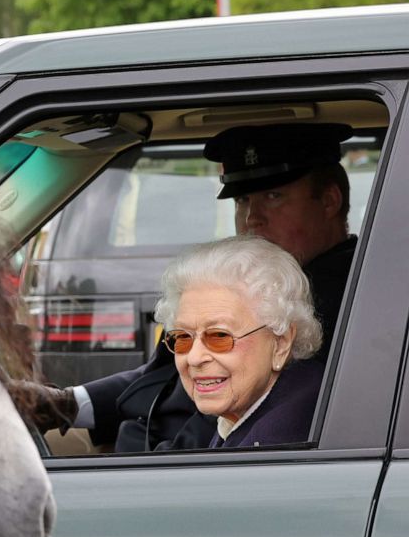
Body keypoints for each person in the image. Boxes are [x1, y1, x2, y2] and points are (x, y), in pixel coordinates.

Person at [20, 122, 359, 449]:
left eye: (273, 196)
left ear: (329, 201)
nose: (252, 217)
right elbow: (161, 376)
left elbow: (230, 426)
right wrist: (67, 403)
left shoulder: (345, 300)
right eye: (242, 201)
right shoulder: (232, 287)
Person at [154, 235, 323, 449]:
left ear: (280, 344)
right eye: (183, 337)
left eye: (219, 336)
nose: (195, 357)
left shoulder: (281, 442)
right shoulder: (249, 408)